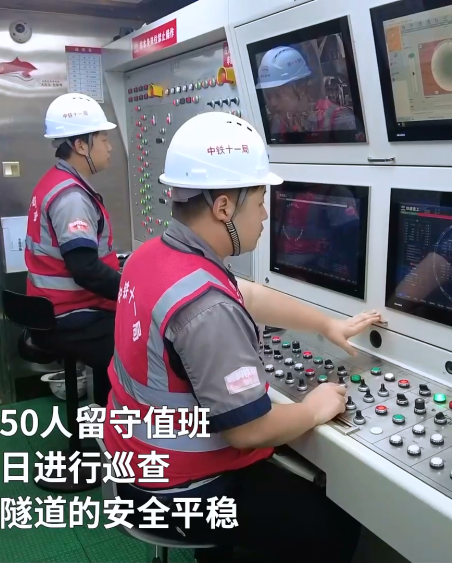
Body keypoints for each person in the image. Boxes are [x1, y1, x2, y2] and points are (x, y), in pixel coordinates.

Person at [101, 112, 382, 563]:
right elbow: (248, 430)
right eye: (260, 201)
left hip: (131, 462)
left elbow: (244, 293)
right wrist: (314, 408)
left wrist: (326, 324)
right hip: (179, 491)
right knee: (335, 526)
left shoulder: (150, 256)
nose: (266, 214)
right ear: (224, 207)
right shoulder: (207, 309)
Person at [24, 93, 121, 407]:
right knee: (138, 341)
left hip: (51, 308)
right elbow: (85, 270)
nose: (109, 147)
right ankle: (114, 424)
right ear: (81, 145)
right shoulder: (72, 197)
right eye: (103, 139)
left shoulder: (54, 181)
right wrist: (133, 290)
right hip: (69, 314)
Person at [257, 45, 358, 137]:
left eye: (278, 95)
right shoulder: (278, 124)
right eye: (268, 96)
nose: (273, 103)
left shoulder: (338, 120)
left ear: (301, 87)